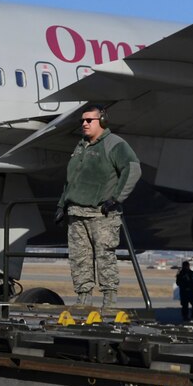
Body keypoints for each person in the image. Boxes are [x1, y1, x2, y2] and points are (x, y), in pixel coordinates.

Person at [56, 103, 140, 306]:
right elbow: (71, 179)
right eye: (82, 121)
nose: (84, 124)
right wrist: (62, 205)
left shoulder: (114, 144)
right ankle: (83, 299)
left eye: (89, 120)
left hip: (101, 214)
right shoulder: (80, 146)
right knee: (79, 258)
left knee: (104, 257)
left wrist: (116, 198)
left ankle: (109, 300)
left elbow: (133, 169)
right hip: (76, 213)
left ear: (101, 121)